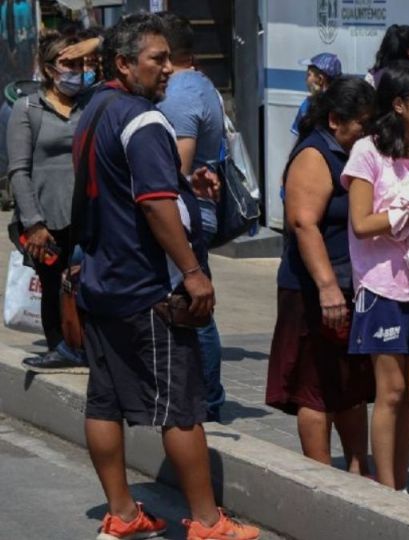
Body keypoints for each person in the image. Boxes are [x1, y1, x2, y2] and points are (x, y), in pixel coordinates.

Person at [74, 14, 259, 539]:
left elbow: (127, 185)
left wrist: (182, 183)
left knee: (104, 400)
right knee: (180, 408)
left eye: (168, 59)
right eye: (157, 59)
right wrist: (194, 273)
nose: (168, 70)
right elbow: (153, 205)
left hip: (101, 281)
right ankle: (206, 522)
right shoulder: (144, 119)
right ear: (124, 64)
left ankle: (123, 513)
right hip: (146, 288)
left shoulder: (94, 110)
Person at [341, 62, 409, 491]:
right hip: (380, 287)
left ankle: (401, 485)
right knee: (390, 391)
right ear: (399, 104)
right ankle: (385, 490)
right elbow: (362, 223)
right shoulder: (368, 152)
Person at [266, 77, 376, 473]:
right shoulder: (315, 155)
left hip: (350, 284)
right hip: (313, 290)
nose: (367, 132)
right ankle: (322, 476)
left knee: (350, 388)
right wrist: (328, 288)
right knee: (316, 390)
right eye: (362, 124)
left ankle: (357, 469)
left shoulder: (351, 155)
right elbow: (303, 223)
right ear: (335, 120)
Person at [155, 12, 227, 422]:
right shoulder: (200, 83)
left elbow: (177, 172)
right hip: (195, 211)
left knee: (195, 309)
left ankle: (209, 400)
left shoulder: (181, 93)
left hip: (189, 213)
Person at [8, 30, 89, 373]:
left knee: (86, 281)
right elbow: (18, 170)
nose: (76, 70)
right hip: (46, 217)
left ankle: (85, 343)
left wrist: (90, 43)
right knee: (53, 283)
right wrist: (34, 224)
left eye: (80, 62)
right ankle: (59, 345)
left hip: (86, 213)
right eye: (68, 63)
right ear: (50, 68)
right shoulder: (27, 109)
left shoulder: (91, 101)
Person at [290, 52, 341, 136]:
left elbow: (297, 138)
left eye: (308, 75)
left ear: (320, 79)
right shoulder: (345, 104)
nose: (305, 79)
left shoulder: (307, 105)